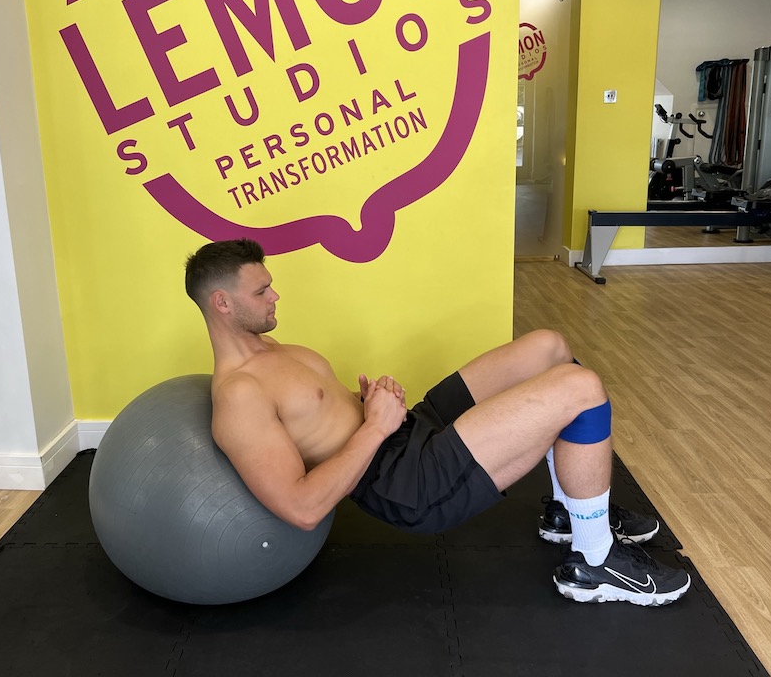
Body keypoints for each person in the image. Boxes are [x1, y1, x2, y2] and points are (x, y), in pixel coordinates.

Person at [184, 238, 691, 606]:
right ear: (221, 303)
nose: (276, 297)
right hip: (407, 483)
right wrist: (375, 428)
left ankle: (570, 512)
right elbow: (302, 508)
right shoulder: (239, 397)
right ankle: (595, 560)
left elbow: (318, 420)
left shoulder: (271, 348)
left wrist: (369, 406)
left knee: (548, 346)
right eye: (261, 292)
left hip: (404, 431)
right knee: (581, 389)